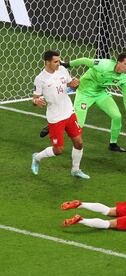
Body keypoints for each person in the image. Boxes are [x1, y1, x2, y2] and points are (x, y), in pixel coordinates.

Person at [41, 52, 126, 152]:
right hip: (84, 93)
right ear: (118, 63)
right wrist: (67, 65)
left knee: (117, 116)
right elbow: (85, 60)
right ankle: (52, 125)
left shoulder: (125, 77)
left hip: (100, 93)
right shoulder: (104, 65)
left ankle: (113, 144)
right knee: (79, 124)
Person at [31, 50, 89, 179]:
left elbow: (70, 84)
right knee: (58, 150)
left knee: (79, 143)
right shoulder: (40, 79)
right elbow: (34, 98)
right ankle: (37, 157)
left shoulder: (62, 70)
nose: (59, 63)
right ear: (47, 62)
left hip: (69, 112)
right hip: (55, 118)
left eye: (59, 61)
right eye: (56, 61)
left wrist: (74, 85)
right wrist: (37, 101)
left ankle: (75, 170)